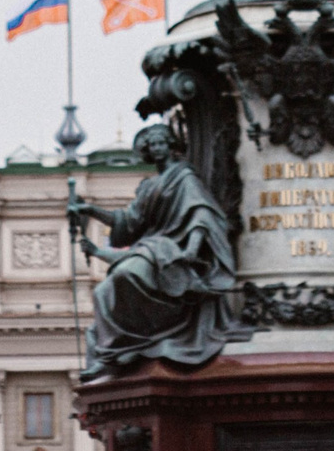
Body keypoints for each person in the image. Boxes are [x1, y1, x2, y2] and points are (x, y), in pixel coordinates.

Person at [68, 122, 251, 379]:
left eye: (161, 143)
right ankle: (111, 355)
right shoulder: (150, 186)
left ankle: (134, 343)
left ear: (170, 146)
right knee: (101, 292)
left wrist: (191, 250)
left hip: (174, 249)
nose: (156, 148)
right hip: (154, 248)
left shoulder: (184, 177)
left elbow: (201, 214)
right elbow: (128, 222)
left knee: (126, 275)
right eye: (152, 145)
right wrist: (91, 210)